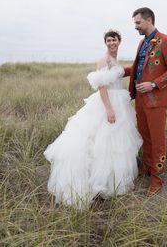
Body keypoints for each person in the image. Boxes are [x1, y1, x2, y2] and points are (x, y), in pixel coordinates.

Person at [44, 30, 142, 209]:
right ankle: (97, 182)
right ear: (105, 43)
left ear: (119, 41)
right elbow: (102, 86)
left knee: (116, 142)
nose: (112, 42)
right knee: (102, 140)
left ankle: (111, 180)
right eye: (109, 40)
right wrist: (109, 109)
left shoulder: (115, 59)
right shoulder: (104, 60)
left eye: (114, 39)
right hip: (109, 103)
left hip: (119, 101)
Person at [124, 7, 167, 195]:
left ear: (149, 21)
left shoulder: (166, 41)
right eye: (135, 23)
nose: (136, 27)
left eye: (137, 23)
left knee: (157, 140)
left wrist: (153, 84)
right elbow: (137, 68)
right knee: (144, 136)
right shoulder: (142, 43)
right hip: (140, 98)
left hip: (156, 99)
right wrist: (117, 71)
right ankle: (147, 168)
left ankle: (157, 179)